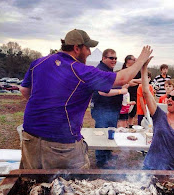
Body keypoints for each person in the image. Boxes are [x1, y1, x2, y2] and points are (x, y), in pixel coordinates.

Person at [19, 28, 153, 169]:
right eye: (87, 48)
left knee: (32, 182)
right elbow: (122, 78)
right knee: (70, 185)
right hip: (62, 144)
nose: (89, 52)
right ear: (77, 48)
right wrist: (142, 59)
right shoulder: (82, 71)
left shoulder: (38, 63)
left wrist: (47, 108)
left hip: (29, 137)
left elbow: (24, 89)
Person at [91, 49, 129, 168]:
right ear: (103, 58)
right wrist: (121, 90)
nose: (114, 60)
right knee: (102, 134)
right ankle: (101, 160)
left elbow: (114, 82)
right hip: (103, 109)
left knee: (109, 132)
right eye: (111, 58)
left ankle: (107, 155)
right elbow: (102, 91)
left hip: (110, 109)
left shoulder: (107, 70)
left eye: (115, 58)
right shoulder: (101, 70)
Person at [122, 55, 142, 128]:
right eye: (133, 59)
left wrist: (133, 81)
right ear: (128, 60)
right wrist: (133, 82)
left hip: (134, 94)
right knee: (124, 113)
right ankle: (123, 127)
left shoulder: (137, 71)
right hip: (125, 95)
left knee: (132, 113)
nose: (135, 61)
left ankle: (130, 127)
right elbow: (126, 82)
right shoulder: (124, 70)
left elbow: (142, 80)